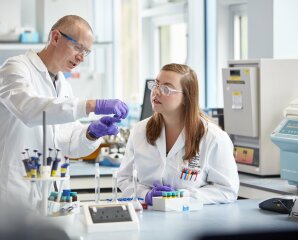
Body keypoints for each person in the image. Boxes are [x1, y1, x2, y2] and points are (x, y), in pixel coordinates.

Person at [0, 15, 128, 204]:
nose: (81, 57)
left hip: (56, 196)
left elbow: (68, 143)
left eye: (86, 52)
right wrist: (91, 105)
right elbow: (29, 110)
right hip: (17, 194)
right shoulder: (15, 69)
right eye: (78, 47)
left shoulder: (63, 85)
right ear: (56, 38)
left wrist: (91, 133)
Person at [117, 63, 239, 205]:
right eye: (156, 85)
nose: (156, 92)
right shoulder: (139, 131)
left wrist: (181, 197)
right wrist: (146, 195)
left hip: (192, 221)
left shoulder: (214, 138)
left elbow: (227, 190)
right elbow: (124, 178)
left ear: (186, 98)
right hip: (148, 218)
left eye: (166, 89)